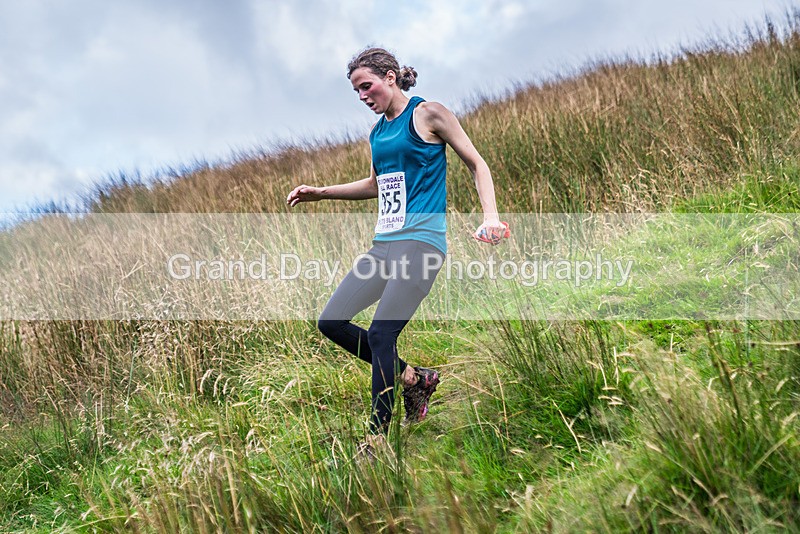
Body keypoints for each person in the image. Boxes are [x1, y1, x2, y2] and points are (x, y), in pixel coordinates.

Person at [286, 47, 505, 449]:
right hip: (384, 247)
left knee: (381, 336)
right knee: (331, 321)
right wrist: (322, 193)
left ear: (390, 77)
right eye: (356, 92)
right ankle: (416, 379)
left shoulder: (428, 114)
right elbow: (376, 185)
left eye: (366, 86)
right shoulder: (377, 132)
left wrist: (490, 217)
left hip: (421, 246)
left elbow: (477, 163)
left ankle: (376, 442)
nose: (363, 96)